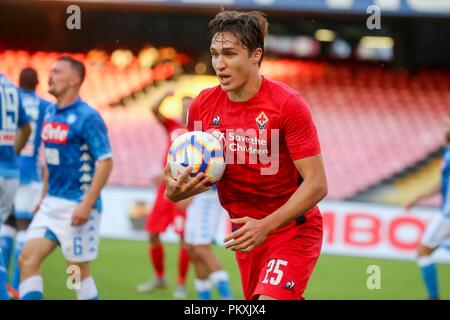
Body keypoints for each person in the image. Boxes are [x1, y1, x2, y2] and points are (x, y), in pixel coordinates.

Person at [164, 10, 327, 300]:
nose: (219, 64)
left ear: (255, 55)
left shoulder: (287, 105)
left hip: (292, 230)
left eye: (229, 53)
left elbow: (317, 184)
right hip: (246, 235)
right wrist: (176, 193)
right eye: (215, 53)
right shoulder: (202, 106)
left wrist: (265, 226)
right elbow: (199, 175)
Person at [18, 56, 113, 300]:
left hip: (77, 206)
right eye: (50, 71)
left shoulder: (87, 116)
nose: (50, 76)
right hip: (51, 203)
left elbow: (105, 160)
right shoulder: (49, 112)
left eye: (57, 72)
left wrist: (87, 203)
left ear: (75, 79)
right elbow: (50, 159)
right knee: (27, 259)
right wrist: (43, 196)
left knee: (77, 276)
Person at [0, 67, 50, 299]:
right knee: (22, 228)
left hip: (8, 164)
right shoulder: (44, 106)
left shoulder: (10, 93)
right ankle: (17, 287)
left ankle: (4, 287)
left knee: (6, 227)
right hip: (28, 175)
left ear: (20, 82)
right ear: (38, 82)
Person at [136, 90, 192, 299]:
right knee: (152, 232)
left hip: (187, 189)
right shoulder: (173, 126)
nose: (185, 108)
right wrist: (165, 95)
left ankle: (181, 284)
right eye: (183, 105)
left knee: (184, 238)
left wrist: (191, 196)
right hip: (165, 189)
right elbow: (153, 109)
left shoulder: (201, 132)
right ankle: (159, 277)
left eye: (189, 106)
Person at [405, 114, 450, 300]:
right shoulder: (447, 153)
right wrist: (418, 198)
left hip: (448, 215)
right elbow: (442, 184)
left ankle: (434, 297)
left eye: (447, 124)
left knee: (423, 251)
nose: (444, 127)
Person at [0, 73, 31, 300]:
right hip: (11, 171)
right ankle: (8, 289)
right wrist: (13, 153)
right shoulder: (11, 87)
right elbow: (27, 128)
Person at [185, 187, 233, 300]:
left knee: (202, 249)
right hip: (195, 198)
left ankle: (226, 295)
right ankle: (204, 295)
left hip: (207, 195)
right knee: (193, 251)